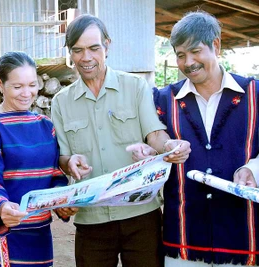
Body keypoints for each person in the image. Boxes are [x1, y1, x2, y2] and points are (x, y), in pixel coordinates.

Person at [51, 14, 191, 267]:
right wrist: (70, 161)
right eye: (78, 50)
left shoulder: (135, 86)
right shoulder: (60, 101)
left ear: (107, 45)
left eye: (94, 48)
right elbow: (61, 157)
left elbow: (154, 133)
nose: (86, 57)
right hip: (91, 219)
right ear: (70, 53)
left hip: (140, 214)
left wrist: (170, 146)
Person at [153, 11, 259, 267]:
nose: (188, 62)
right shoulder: (163, 100)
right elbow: (150, 141)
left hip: (243, 239)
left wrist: (253, 169)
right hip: (183, 242)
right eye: (180, 55)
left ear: (216, 45)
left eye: (195, 51)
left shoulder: (255, 95)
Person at [0, 51, 76, 267]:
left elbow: (54, 172)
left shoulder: (44, 125)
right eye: (17, 87)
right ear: (0, 85)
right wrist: (2, 208)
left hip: (40, 234)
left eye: (32, 85)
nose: (26, 93)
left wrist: (62, 203)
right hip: (7, 231)